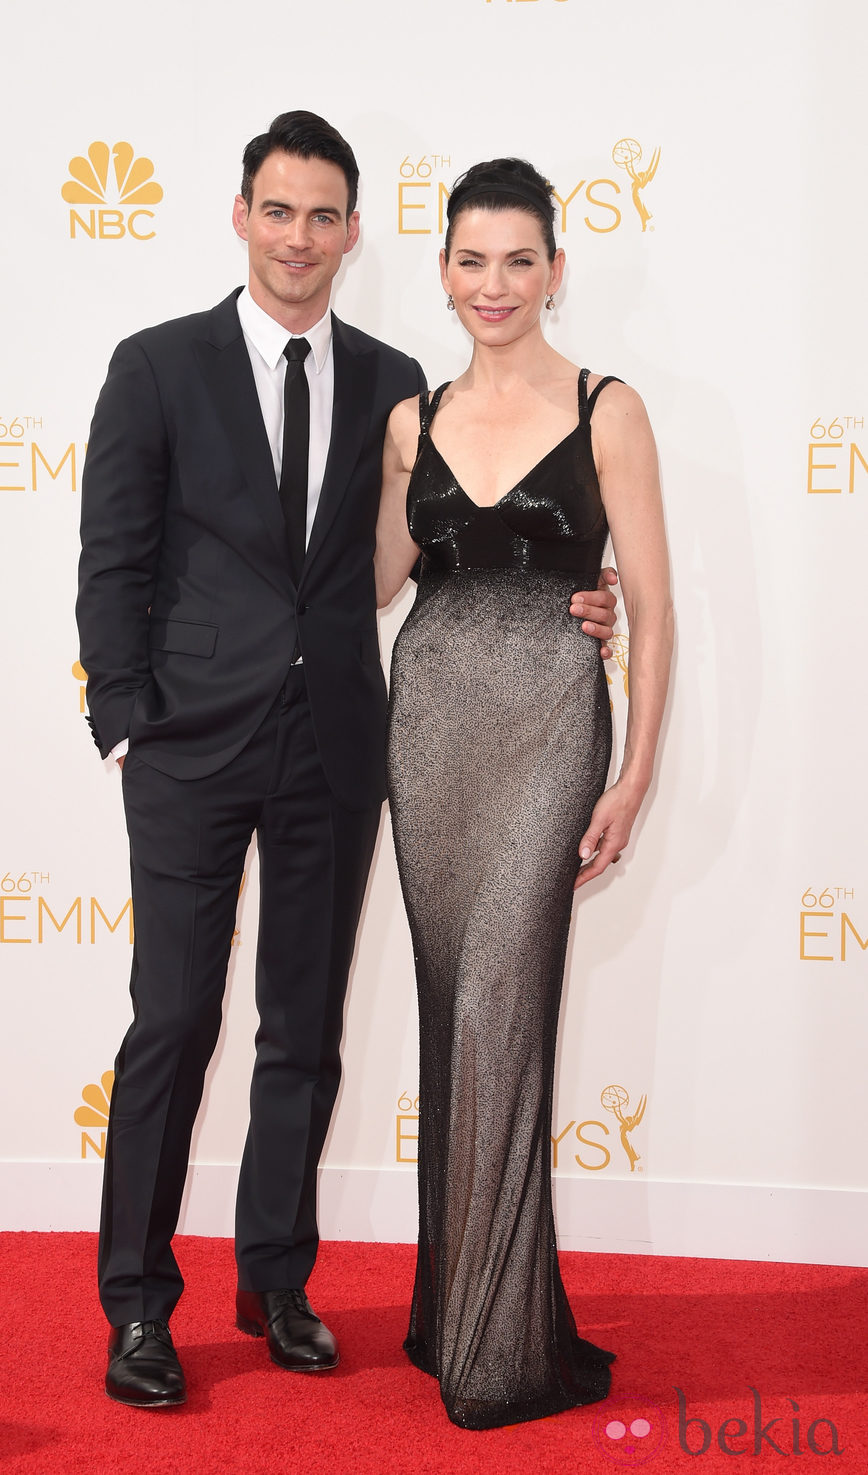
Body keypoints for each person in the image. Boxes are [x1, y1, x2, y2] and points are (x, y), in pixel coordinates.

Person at [76, 116, 621, 1410]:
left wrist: (575, 592)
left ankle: (275, 1273)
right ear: (240, 214)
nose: (300, 238)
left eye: (325, 217)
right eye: (279, 211)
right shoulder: (157, 366)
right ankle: (140, 1304)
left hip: (338, 751)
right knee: (172, 1021)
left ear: (355, 233)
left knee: (304, 1032)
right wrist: (129, 719)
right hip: (190, 753)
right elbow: (112, 557)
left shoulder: (393, 383)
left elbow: (445, 536)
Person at [376, 158, 673, 1430]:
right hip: (429, 726)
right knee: (457, 1004)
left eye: (517, 260)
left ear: (556, 270)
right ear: (441, 270)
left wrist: (635, 770)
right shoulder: (410, 417)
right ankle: (461, 1309)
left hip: (552, 727)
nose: (492, 285)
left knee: (503, 995)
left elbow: (652, 611)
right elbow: (375, 582)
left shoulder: (609, 407)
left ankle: (494, 1352)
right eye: (469, 260)